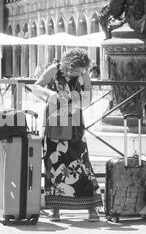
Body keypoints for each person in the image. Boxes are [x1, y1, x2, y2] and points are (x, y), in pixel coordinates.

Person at [34, 49, 103, 222]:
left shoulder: (83, 72)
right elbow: (36, 87)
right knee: (53, 164)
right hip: (55, 121)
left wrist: (78, 99)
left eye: (81, 71)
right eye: (75, 71)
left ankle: (91, 208)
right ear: (68, 64)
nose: (78, 74)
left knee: (82, 164)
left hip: (75, 122)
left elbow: (88, 98)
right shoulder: (54, 70)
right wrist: (50, 95)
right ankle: (55, 209)